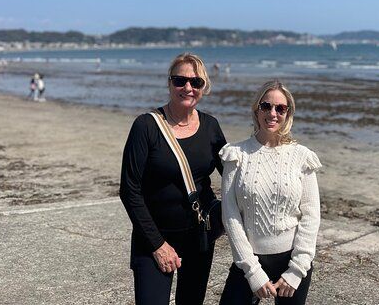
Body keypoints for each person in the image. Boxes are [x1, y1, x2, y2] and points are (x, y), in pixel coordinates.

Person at [120, 53, 227, 305]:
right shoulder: (146, 126)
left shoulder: (211, 126)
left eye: (196, 82)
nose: (188, 88)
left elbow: (234, 177)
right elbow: (129, 189)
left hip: (199, 237)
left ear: (204, 87)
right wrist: (158, 245)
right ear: (169, 83)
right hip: (153, 238)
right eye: (180, 80)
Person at [219, 80, 321, 304]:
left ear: (288, 113)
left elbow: (311, 215)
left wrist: (296, 270)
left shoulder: (302, 157)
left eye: (280, 108)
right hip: (250, 259)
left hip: (292, 260)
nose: (272, 113)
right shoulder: (236, 154)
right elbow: (230, 215)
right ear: (257, 109)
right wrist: (252, 271)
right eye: (266, 106)